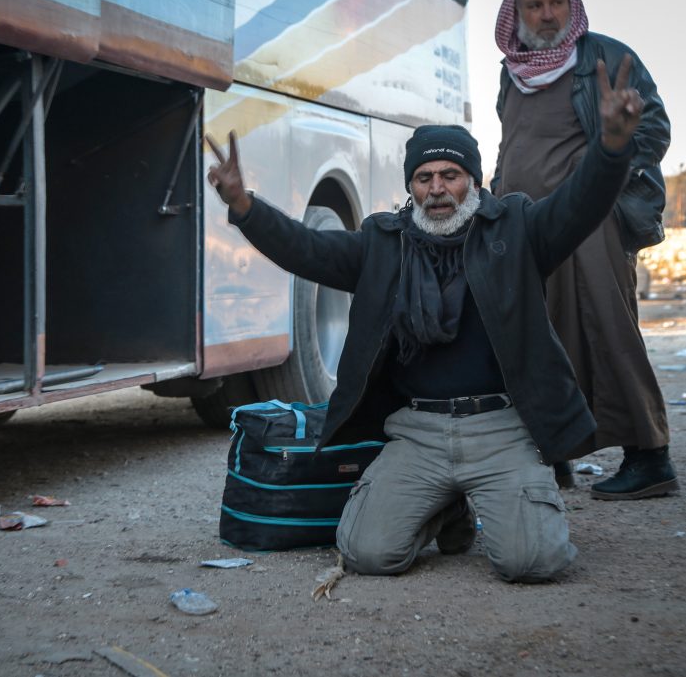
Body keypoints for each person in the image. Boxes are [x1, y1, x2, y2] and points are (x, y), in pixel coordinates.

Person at [206, 56, 643, 582]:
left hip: (501, 429)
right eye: (424, 177)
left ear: (474, 183)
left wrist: (611, 147)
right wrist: (244, 205)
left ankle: (495, 500)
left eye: (450, 175)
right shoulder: (383, 244)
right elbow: (309, 251)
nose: (436, 188)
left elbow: (580, 203)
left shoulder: (519, 229)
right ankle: (446, 507)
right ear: (411, 187)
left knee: (533, 563)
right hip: (418, 432)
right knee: (368, 554)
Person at [492, 0, 677, 500]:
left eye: (556, 3)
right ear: (518, 13)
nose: (547, 15)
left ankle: (650, 456)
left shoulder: (605, 57)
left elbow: (654, 128)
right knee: (539, 337)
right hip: (528, 227)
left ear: (570, 6)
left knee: (608, 329)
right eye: (535, 5)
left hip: (593, 222)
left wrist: (604, 185)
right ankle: (555, 454)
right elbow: (514, 146)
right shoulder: (514, 71)